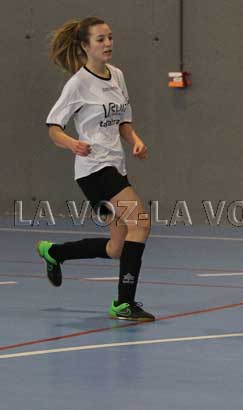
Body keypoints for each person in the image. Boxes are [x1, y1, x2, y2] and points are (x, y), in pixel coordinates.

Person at [37, 16, 155, 321]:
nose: (108, 43)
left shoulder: (117, 75)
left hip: (115, 165)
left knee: (117, 247)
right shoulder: (78, 84)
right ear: (85, 45)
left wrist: (136, 141)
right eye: (100, 39)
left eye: (110, 37)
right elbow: (53, 127)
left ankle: (55, 252)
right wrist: (72, 143)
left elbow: (123, 121)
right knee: (141, 222)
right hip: (93, 170)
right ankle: (124, 304)